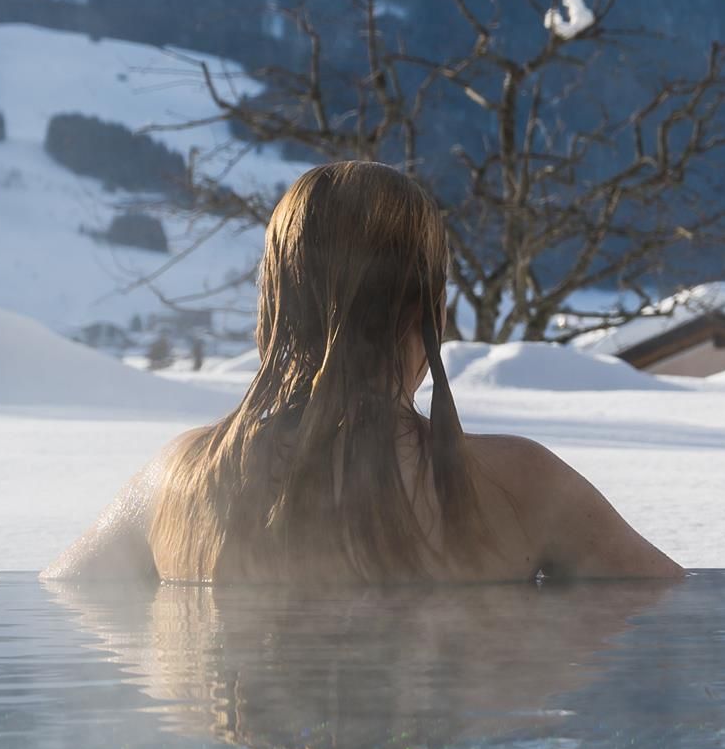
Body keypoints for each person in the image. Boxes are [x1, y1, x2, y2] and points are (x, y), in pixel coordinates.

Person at [48, 161, 682, 583]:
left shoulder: (179, 483)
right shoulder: (522, 485)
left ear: (272, 308)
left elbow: (63, 598)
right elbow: (674, 620)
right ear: (427, 309)